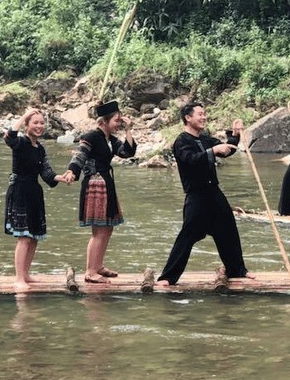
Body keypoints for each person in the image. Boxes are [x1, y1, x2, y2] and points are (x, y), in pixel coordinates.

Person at [157, 102, 253, 286]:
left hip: (213, 192)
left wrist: (234, 135)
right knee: (188, 235)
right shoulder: (182, 141)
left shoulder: (205, 139)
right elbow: (190, 160)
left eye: (204, 113)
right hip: (196, 195)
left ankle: (237, 270)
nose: (204, 117)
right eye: (200, 114)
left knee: (228, 229)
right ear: (188, 117)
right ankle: (168, 277)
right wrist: (212, 151)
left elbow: (226, 151)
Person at [62, 100, 136, 284]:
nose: (118, 124)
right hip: (95, 184)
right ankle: (90, 271)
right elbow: (80, 155)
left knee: (107, 228)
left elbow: (127, 152)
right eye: (117, 121)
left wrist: (128, 129)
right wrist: (72, 171)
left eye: (120, 121)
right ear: (103, 122)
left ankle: (99, 266)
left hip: (106, 183)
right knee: (99, 231)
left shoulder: (110, 139)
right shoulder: (92, 136)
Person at [4, 108, 69, 293]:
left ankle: (25, 274)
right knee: (24, 237)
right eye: (35, 123)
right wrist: (24, 115)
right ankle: (18, 279)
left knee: (34, 237)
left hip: (34, 192)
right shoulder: (20, 143)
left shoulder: (40, 148)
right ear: (27, 125)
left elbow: (46, 173)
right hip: (19, 191)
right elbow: (9, 136)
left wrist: (60, 178)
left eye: (42, 123)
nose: (39, 126)